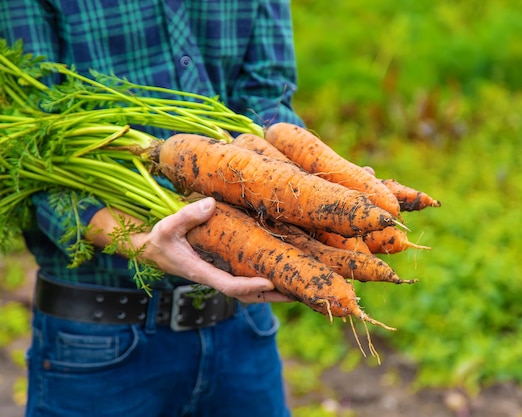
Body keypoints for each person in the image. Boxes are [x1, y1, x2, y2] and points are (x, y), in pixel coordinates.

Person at [0, 1, 304, 416]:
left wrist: (307, 186)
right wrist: (144, 242)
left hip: (242, 328)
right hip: (100, 342)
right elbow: (33, 161)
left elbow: (270, 94)